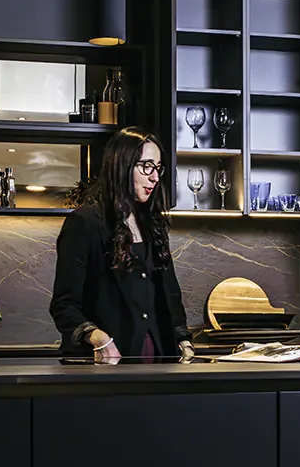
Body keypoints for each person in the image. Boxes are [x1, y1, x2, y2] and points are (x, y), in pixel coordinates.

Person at [50, 126, 194, 364]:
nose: (155, 177)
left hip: (160, 360)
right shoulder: (84, 223)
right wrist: (97, 338)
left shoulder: (153, 224)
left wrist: (182, 338)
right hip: (106, 364)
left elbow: (170, 295)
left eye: (158, 168)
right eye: (146, 166)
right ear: (122, 166)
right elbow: (64, 305)